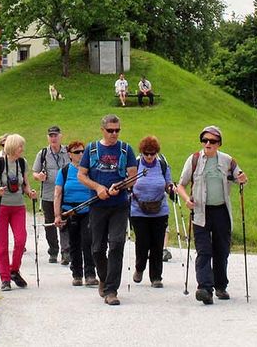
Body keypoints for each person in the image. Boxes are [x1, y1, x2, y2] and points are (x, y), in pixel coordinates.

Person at [176, 125, 249, 305]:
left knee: (221, 251)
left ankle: (221, 286)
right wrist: (186, 199)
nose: (208, 144)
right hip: (200, 211)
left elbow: (240, 178)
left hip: (221, 211)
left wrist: (242, 179)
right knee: (203, 250)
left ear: (219, 144)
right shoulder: (194, 159)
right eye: (205, 140)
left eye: (212, 141)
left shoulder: (228, 161)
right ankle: (205, 289)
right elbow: (181, 185)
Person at [77, 113, 138, 306]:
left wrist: (120, 186)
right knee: (97, 249)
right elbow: (81, 175)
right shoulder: (91, 149)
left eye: (117, 130)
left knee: (117, 244)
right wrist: (98, 188)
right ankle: (103, 277)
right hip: (97, 205)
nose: (114, 134)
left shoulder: (126, 149)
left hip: (119, 205)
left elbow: (133, 177)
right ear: (102, 130)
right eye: (110, 130)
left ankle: (111, 290)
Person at [0, 133, 38, 291]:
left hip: (18, 207)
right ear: (13, 147)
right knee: (2, 244)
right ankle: (5, 278)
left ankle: (14, 270)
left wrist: (30, 193)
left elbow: (25, 185)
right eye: (20, 146)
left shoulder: (22, 163)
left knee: (21, 240)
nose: (22, 148)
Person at [129, 135, 172, 288]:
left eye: (152, 153)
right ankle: (139, 268)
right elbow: (128, 183)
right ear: (141, 152)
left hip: (159, 210)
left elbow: (168, 183)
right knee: (143, 242)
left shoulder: (162, 165)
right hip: (138, 210)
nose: (149, 156)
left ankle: (156, 277)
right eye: (146, 153)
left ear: (156, 153)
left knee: (157, 244)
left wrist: (171, 188)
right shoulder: (135, 164)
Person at [54, 140, 98, 287]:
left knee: (88, 241)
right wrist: (57, 215)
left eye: (83, 152)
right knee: (74, 243)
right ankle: (77, 274)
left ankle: (90, 274)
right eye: (77, 152)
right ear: (70, 155)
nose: (81, 154)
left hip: (88, 210)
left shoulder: (90, 170)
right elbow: (58, 193)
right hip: (70, 211)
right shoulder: (64, 171)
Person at [33, 125, 70, 265]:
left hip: (66, 193)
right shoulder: (43, 153)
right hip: (48, 194)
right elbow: (35, 173)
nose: (53, 138)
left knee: (64, 221)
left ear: (61, 136)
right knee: (50, 223)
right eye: (51, 136)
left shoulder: (68, 152)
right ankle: (53, 250)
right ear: (48, 137)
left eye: (55, 135)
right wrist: (39, 176)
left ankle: (66, 251)